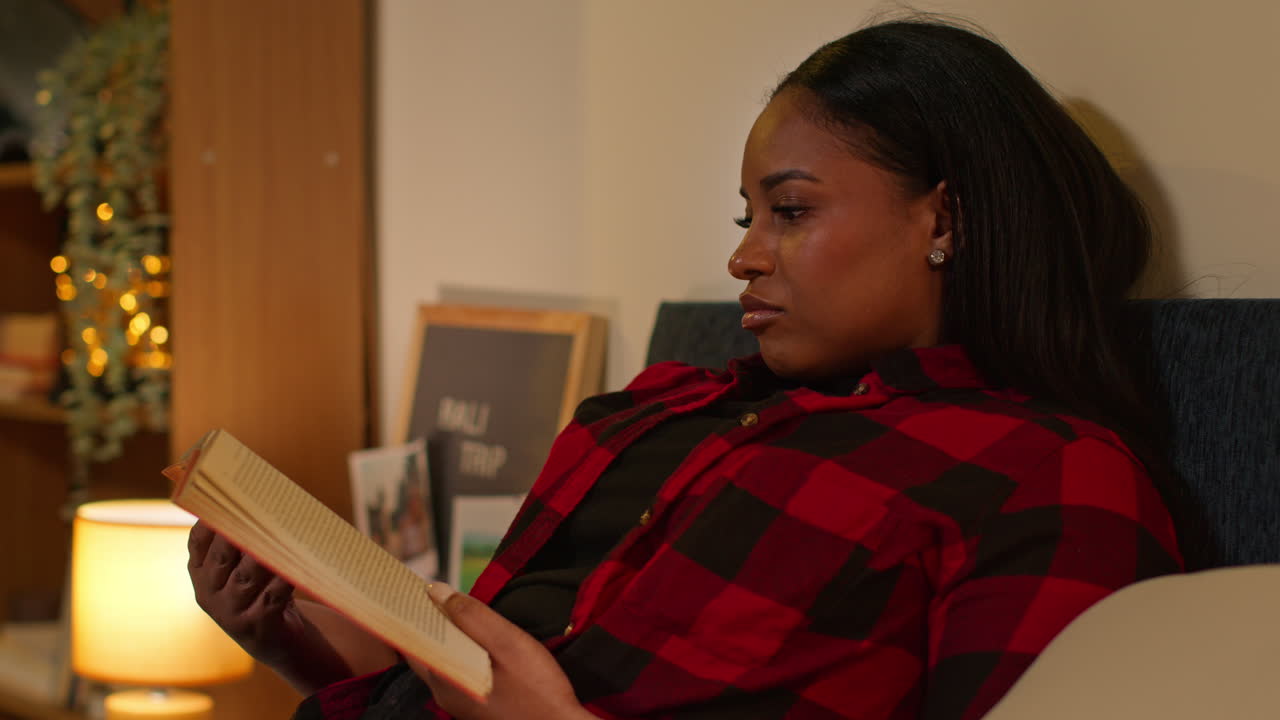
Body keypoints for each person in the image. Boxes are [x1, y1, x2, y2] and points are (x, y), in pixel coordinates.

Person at [187, 17, 1182, 720]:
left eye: (789, 211)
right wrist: (288, 635)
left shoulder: (1042, 470)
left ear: (944, 219)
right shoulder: (653, 409)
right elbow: (469, 673)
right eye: (744, 217)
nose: (743, 258)